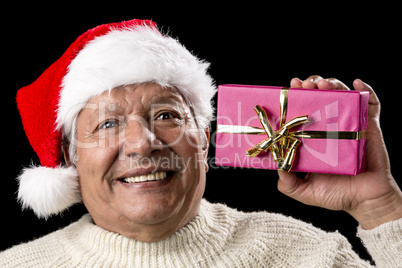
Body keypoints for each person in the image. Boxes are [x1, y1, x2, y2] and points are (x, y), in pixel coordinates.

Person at [2, 19, 401, 267]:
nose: (143, 145)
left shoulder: (305, 256)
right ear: (70, 161)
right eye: (108, 124)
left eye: (167, 116)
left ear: (205, 140)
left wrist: (380, 208)